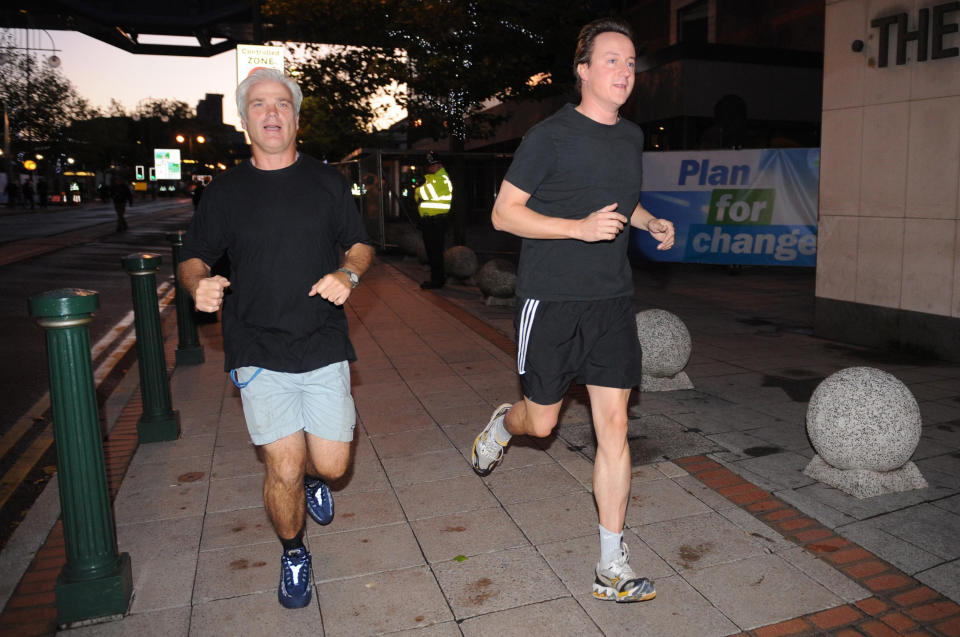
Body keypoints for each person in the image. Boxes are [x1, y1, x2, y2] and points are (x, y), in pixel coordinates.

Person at [469, 18, 675, 604]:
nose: (625, 72)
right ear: (582, 70)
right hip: (552, 300)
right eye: (612, 60)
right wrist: (577, 230)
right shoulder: (550, 137)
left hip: (611, 301)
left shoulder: (631, 137)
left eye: (632, 63)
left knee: (614, 426)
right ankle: (501, 424)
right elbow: (504, 214)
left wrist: (647, 220)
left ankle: (611, 564)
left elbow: (620, 204)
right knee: (542, 424)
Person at [178, 68, 374, 610]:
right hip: (257, 348)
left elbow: (359, 245)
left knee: (332, 466)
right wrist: (200, 284)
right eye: (259, 105)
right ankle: (293, 552)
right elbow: (193, 256)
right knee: (281, 467)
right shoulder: (226, 191)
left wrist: (348, 275)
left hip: (322, 342)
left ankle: (315, 479)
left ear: (295, 117)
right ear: (246, 123)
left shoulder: (327, 181)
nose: (271, 112)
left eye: (281, 104)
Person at [415, 151, 453, 289]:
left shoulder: (441, 179)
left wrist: (418, 191)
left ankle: (437, 280)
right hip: (431, 221)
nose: (428, 168)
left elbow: (423, 193)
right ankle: (436, 279)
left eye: (431, 165)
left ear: (438, 165)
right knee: (432, 252)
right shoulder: (435, 179)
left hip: (436, 222)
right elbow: (421, 195)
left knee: (435, 252)